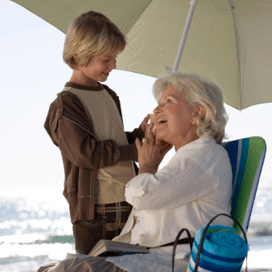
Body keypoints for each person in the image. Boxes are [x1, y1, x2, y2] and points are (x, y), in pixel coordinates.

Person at [39, 72, 232, 272]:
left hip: (168, 262)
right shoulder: (191, 157)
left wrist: (147, 167)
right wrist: (151, 165)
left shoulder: (203, 154)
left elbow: (143, 196)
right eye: (158, 102)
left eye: (169, 101)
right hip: (148, 259)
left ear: (197, 113)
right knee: (52, 268)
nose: (157, 109)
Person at [44, 11, 149, 255]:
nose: (114, 65)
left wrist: (140, 134)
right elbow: (87, 153)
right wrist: (136, 150)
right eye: (107, 59)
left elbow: (112, 141)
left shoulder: (109, 95)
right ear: (79, 57)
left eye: (114, 58)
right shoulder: (66, 104)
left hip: (128, 199)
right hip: (97, 210)